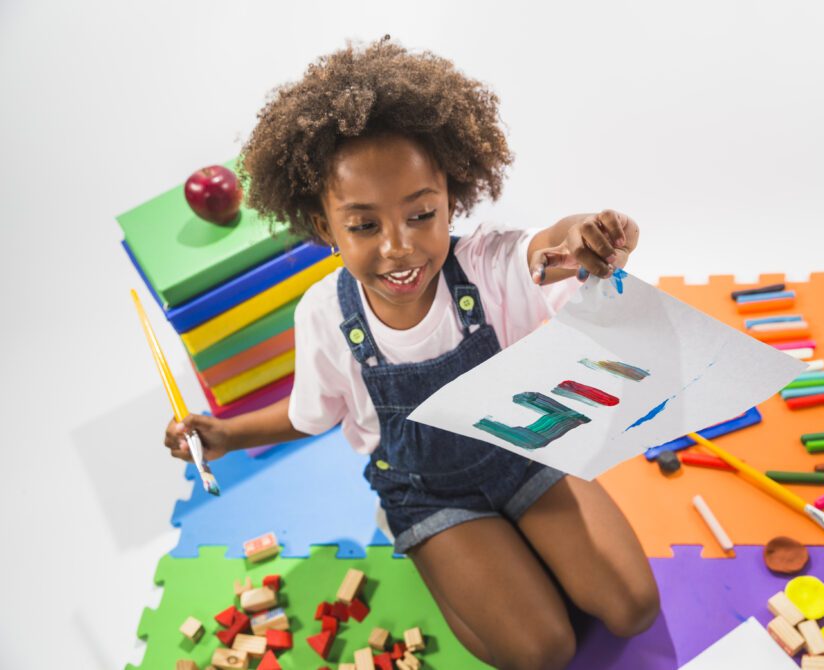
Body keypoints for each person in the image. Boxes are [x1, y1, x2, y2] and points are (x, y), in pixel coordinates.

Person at [165, 37, 658, 670]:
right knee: (543, 651)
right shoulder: (324, 314)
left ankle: (506, 551)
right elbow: (311, 413)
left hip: (522, 453)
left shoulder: (485, 264)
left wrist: (590, 233)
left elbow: (551, 245)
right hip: (426, 490)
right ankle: (433, 549)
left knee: (633, 607)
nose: (399, 247)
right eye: (364, 225)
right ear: (324, 225)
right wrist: (226, 435)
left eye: (421, 214)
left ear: (451, 196)